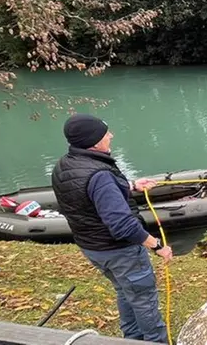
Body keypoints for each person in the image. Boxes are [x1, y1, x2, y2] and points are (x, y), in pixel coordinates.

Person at [51, 113, 173, 343]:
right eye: (106, 133)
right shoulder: (100, 175)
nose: (111, 135)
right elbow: (122, 225)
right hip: (119, 251)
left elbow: (87, 194)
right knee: (143, 299)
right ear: (95, 141)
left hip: (93, 248)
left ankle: (131, 339)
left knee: (125, 291)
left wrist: (132, 185)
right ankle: (156, 341)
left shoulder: (65, 165)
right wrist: (157, 246)